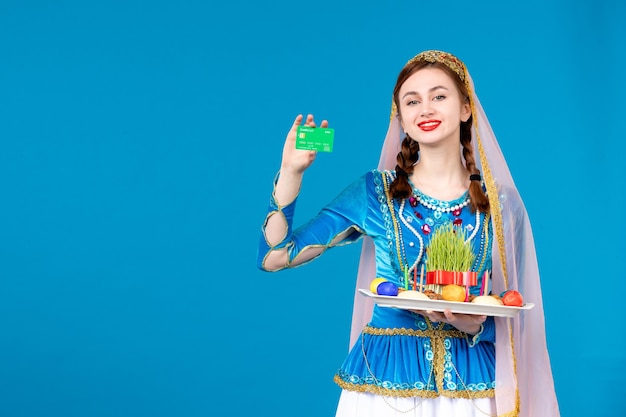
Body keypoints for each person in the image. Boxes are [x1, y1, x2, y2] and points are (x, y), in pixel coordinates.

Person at [256, 50, 559, 417]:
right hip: (384, 387)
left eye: (439, 96)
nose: (425, 109)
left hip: (473, 390)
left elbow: (516, 314)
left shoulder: (501, 203)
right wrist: (291, 172)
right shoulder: (374, 192)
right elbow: (275, 256)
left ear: (465, 108)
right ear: (400, 116)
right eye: (412, 101)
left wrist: (476, 325)